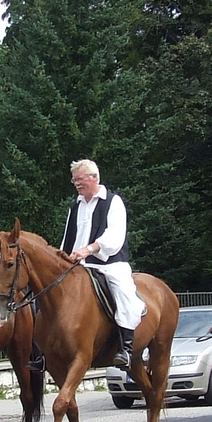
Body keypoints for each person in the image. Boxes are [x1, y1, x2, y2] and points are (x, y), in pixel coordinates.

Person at [59, 158, 143, 369]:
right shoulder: (75, 205)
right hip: (78, 265)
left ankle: (126, 347)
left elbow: (114, 236)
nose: (77, 183)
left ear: (94, 177)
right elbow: (69, 236)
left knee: (123, 290)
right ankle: (41, 350)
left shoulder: (112, 202)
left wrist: (88, 250)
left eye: (80, 179)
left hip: (109, 264)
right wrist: (62, 256)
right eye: (74, 180)